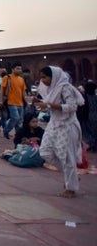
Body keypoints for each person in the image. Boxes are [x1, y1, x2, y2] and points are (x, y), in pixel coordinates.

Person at [35, 66, 84, 198]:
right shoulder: (51, 89)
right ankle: (72, 176)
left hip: (67, 125)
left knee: (68, 157)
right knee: (45, 152)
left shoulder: (65, 88)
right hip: (54, 124)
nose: (43, 80)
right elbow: (49, 104)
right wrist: (41, 103)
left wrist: (49, 105)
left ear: (54, 77)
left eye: (45, 77)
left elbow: (72, 107)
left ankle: (71, 188)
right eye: (41, 77)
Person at [0, 62, 27, 140]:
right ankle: (6, 130)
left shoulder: (21, 79)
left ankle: (18, 135)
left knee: (19, 121)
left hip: (20, 103)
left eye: (20, 69)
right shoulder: (7, 78)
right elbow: (2, 90)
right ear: (12, 69)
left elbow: (23, 92)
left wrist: (26, 102)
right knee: (15, 118)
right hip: (11, 102)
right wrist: (1, 100)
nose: (20, 70)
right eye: (17, 69)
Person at [78, 81, 97, 152]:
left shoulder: (84, 97)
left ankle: (92, 145)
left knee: (87, 131)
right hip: (94, 116)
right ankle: (93, 145)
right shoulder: (95, 96)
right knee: (94, 131)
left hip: (87, 116)